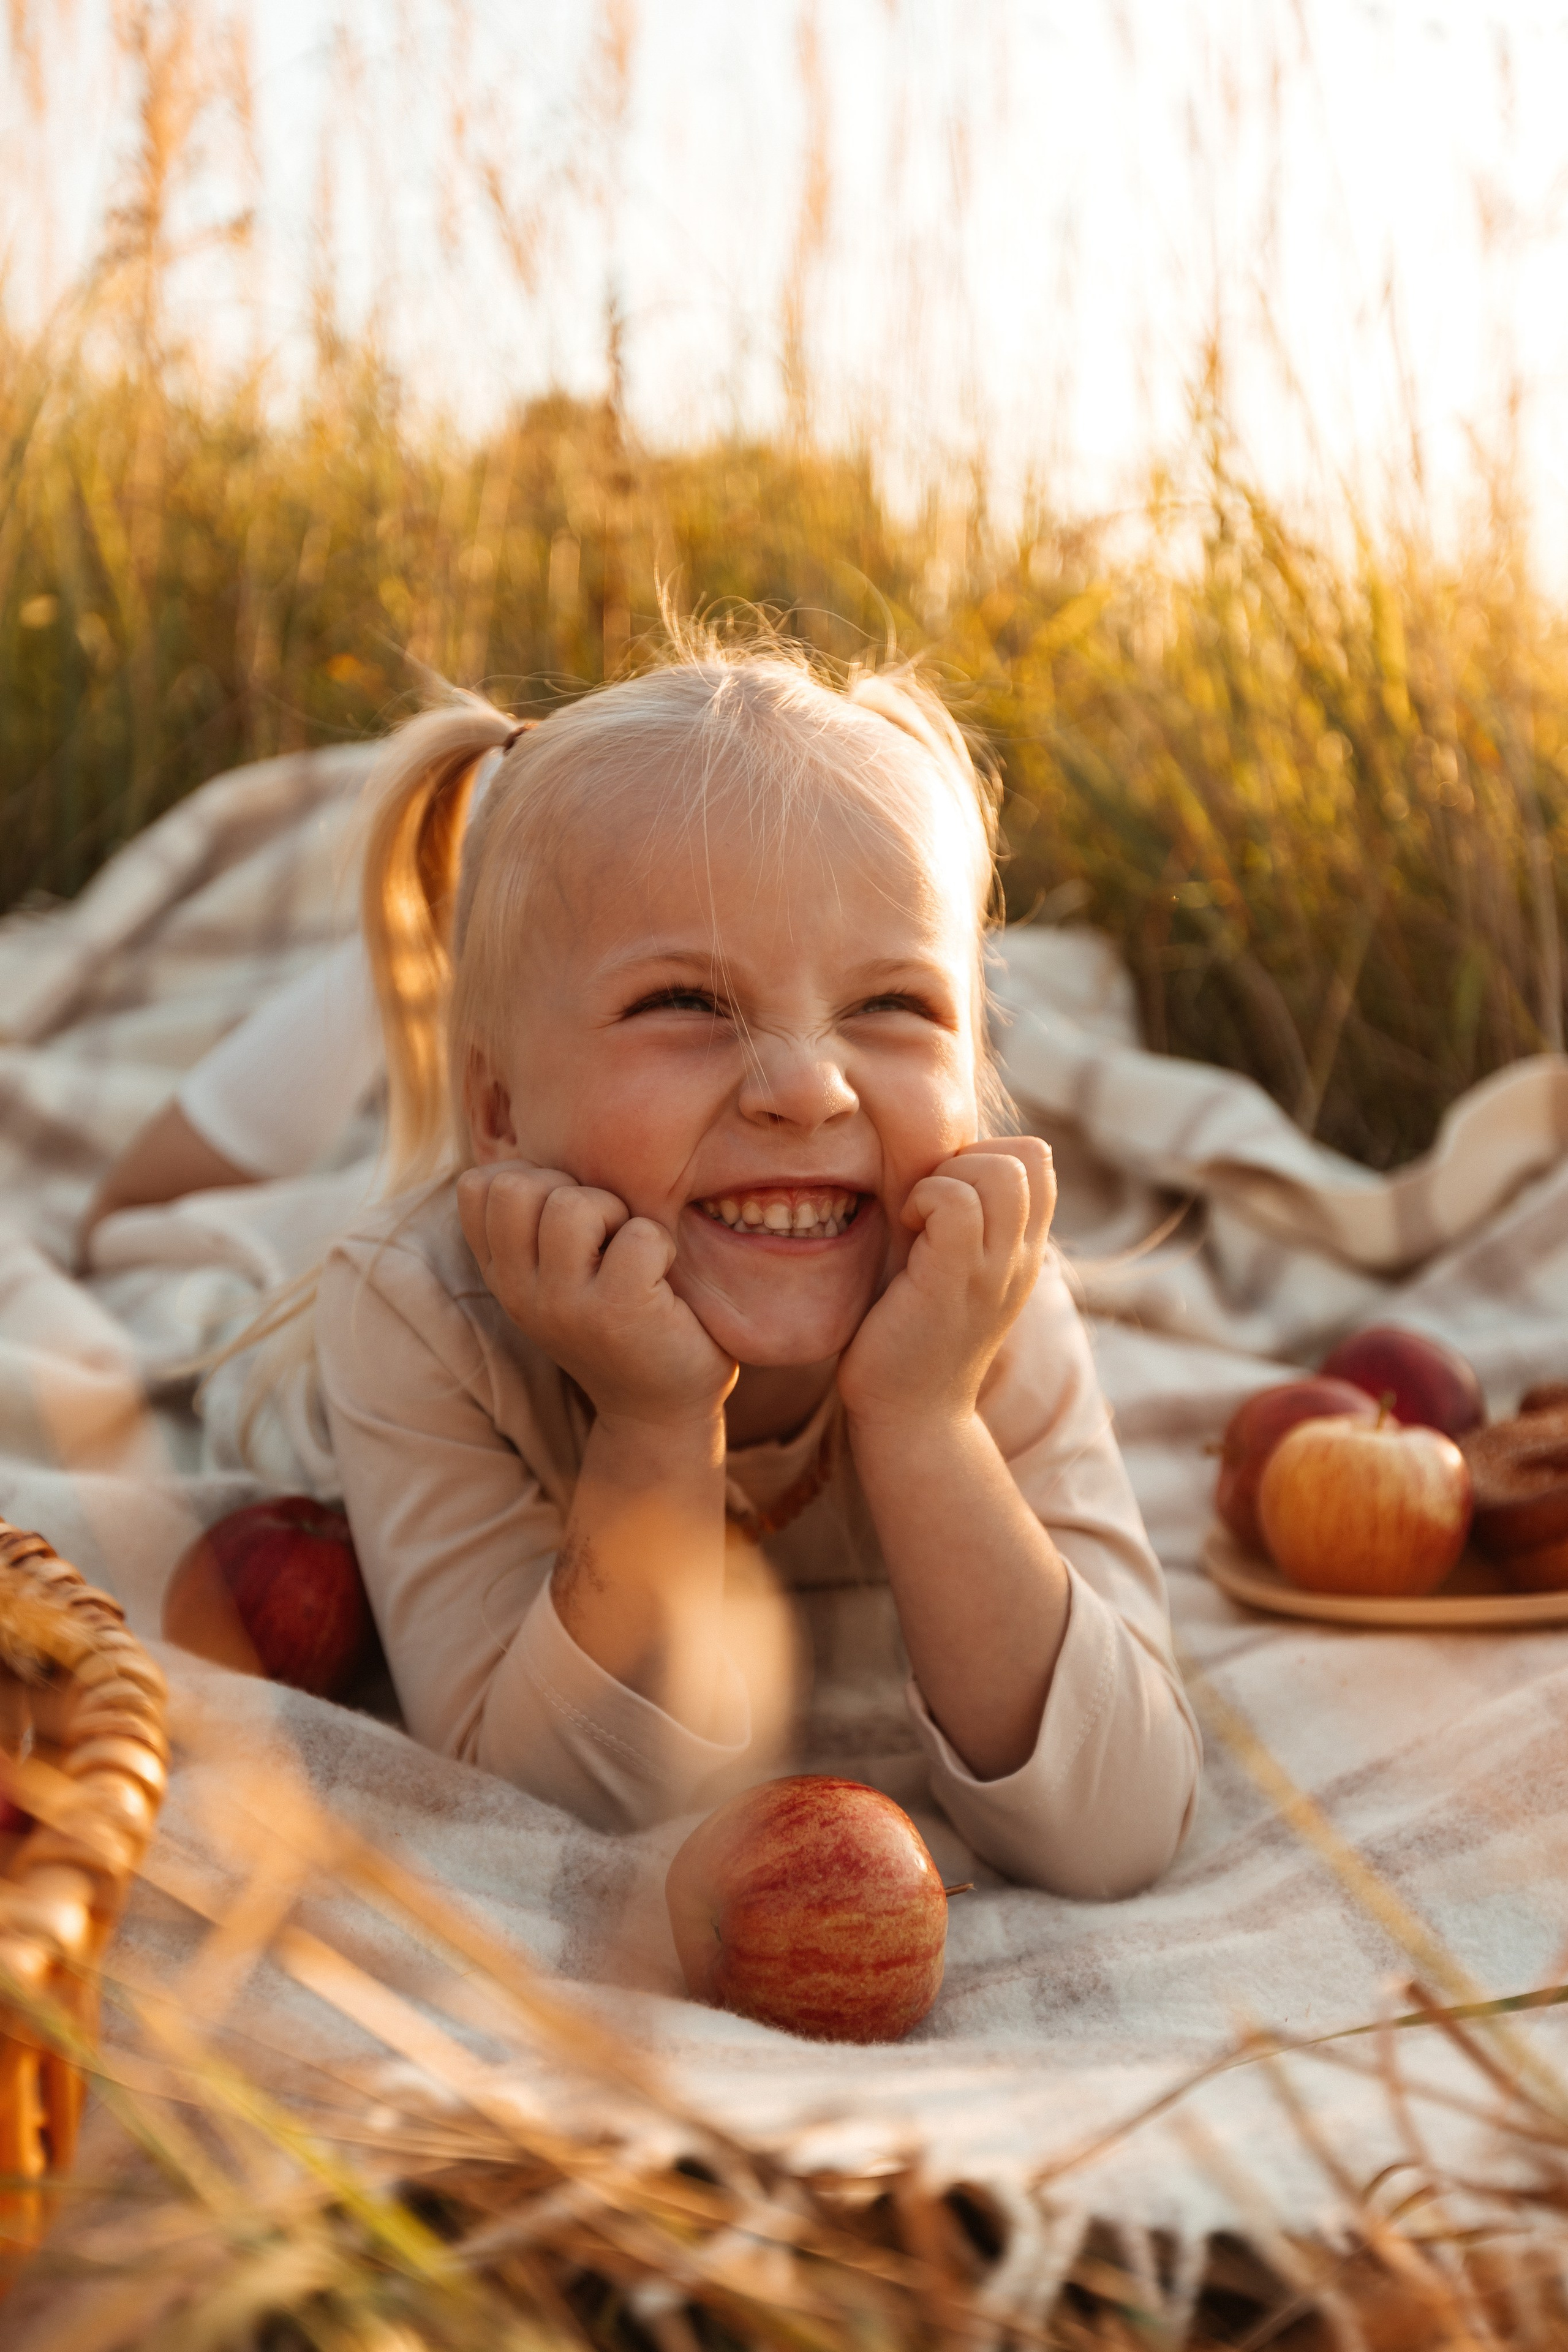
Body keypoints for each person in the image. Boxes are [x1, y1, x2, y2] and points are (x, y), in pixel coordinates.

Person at [307, 639, 1200, 1894]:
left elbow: (1117, 1826)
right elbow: (543, 1819)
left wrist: (924, 1418)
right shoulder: (417, 1315)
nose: (807, 1087)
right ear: (500, 1111)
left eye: (893, 1005)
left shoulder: (976, 1305)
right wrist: (652, 1420)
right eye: (685, 1002)